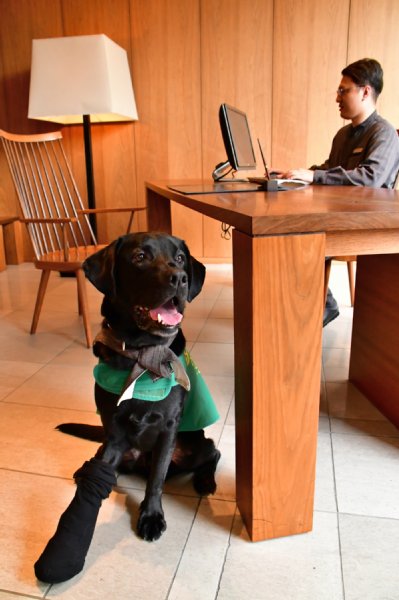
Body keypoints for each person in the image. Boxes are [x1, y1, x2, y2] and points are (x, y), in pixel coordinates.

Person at [277, 58, 399, 326]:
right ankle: (320, 303)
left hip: (366, 223)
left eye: (344, 91)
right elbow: (330, 169)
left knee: (301, 237)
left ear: (366, 92)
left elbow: (370, 179)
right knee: (287, 234)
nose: (337, 97)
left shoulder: (385, 134)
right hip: (337, 215)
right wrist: (294, 175)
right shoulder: (343, 135)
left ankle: (322, 304)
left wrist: (315, 176)